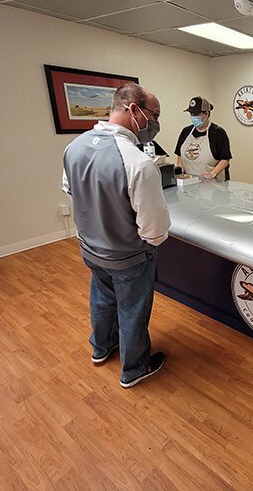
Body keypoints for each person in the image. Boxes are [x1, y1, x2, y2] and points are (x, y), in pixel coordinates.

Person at [62, 82, 170, 389]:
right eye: (154, 114)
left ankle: (101, 347)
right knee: (132, 309)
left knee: (102, 298)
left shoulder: (74, 148)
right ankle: (134, 368)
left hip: (90, 249)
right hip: (128, 255)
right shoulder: (137, 162)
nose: (154, 123)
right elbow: (154, 229)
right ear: (134, 109)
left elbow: (71, 191)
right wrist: (147, 244)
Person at [175, 96, 232, 181]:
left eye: (197, 114)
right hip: (189, 185)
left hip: (213, 186)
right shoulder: (186, 131)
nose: (193, 117)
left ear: (207, 113)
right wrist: (180, 171)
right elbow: (179, 154)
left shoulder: (218, 133)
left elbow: (225, 159)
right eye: (192, 114)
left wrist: (212, 173)